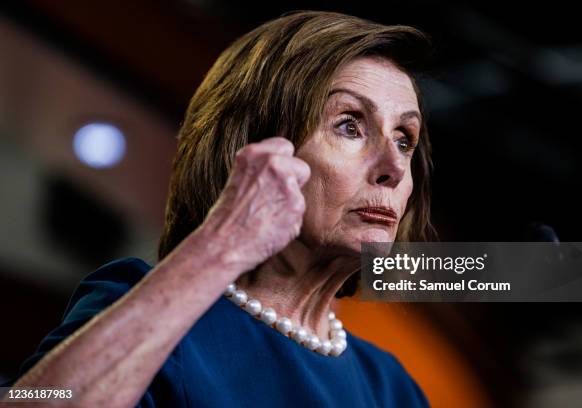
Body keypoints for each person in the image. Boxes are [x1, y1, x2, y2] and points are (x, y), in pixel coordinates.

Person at [2, 10, 435, 407]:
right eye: (349, 125)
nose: (394, 167)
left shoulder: (393, 388)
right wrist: (220, 246)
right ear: (256, 146)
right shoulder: (139, 305)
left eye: (404, 139)